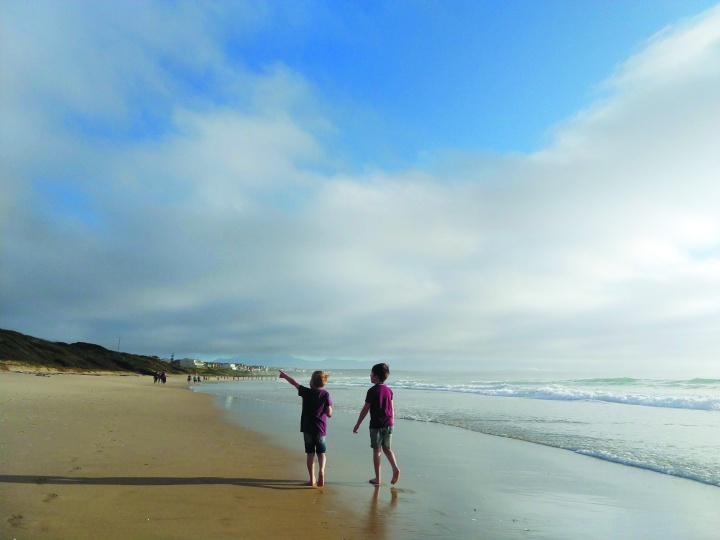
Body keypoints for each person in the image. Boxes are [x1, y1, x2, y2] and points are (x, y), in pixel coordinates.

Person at [279, 369, 333, 487]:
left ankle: (312, 479)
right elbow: (329, 413)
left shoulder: (306, 392)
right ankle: (322, 471)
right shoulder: (325, 394)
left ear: (312, 382)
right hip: (320, 429)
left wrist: (284, 375)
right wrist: (327, 413)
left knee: (310, 454)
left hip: (307, 428)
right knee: (321, 452)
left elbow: (294, 383)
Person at [353, 363, 400, 486]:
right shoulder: (389, 390)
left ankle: (378, 478)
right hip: (389, 423)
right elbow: (392, 408)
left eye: (371, 374)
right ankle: (395, 468)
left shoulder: (372, 391)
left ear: (376, 376)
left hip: (376, 425)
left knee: (377, 450)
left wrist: (357, 424)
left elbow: (365, 409)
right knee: (387, 449)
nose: (370, 376)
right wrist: (392, 422)